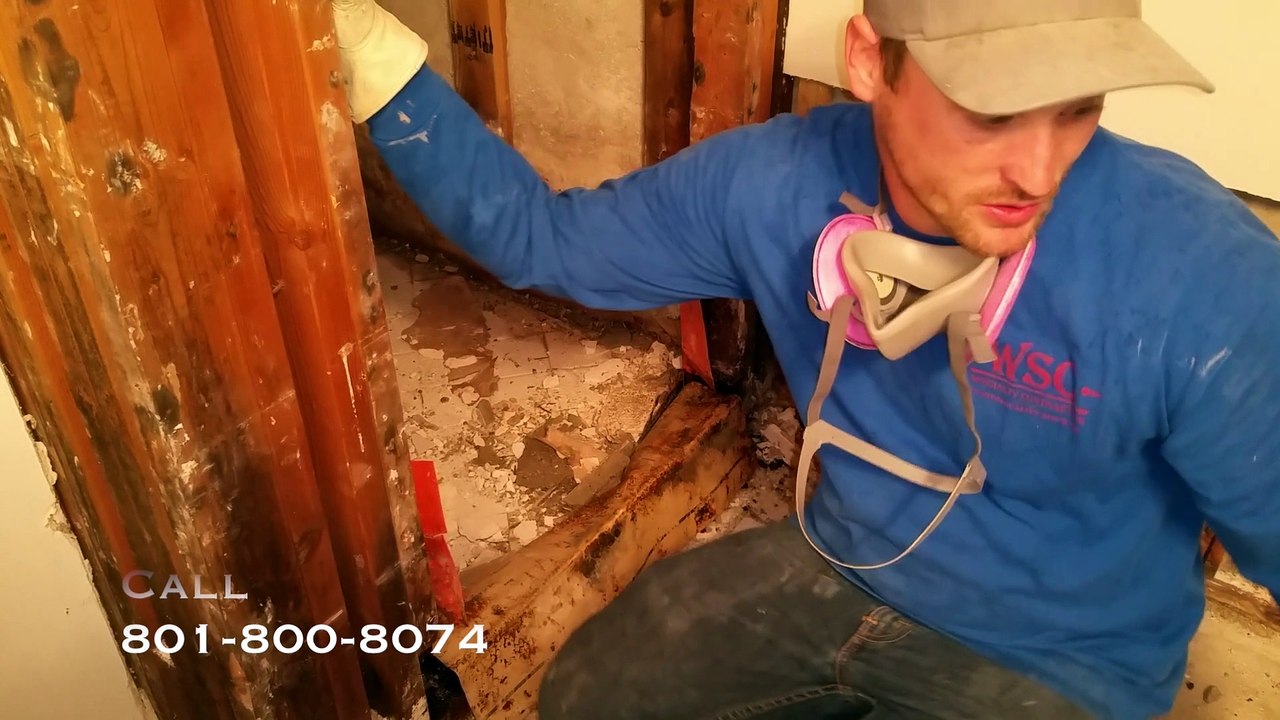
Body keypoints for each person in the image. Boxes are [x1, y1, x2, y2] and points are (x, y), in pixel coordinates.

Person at [331, 1, 1280, 717]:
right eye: (993, 112)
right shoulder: (769, 186)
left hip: (1066, 663)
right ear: (871, 61)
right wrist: (375, 58)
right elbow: (541, 239)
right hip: (840, 566)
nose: (1038, 172)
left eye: (1077, 111)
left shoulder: (1201, 279)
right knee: (590, 690)